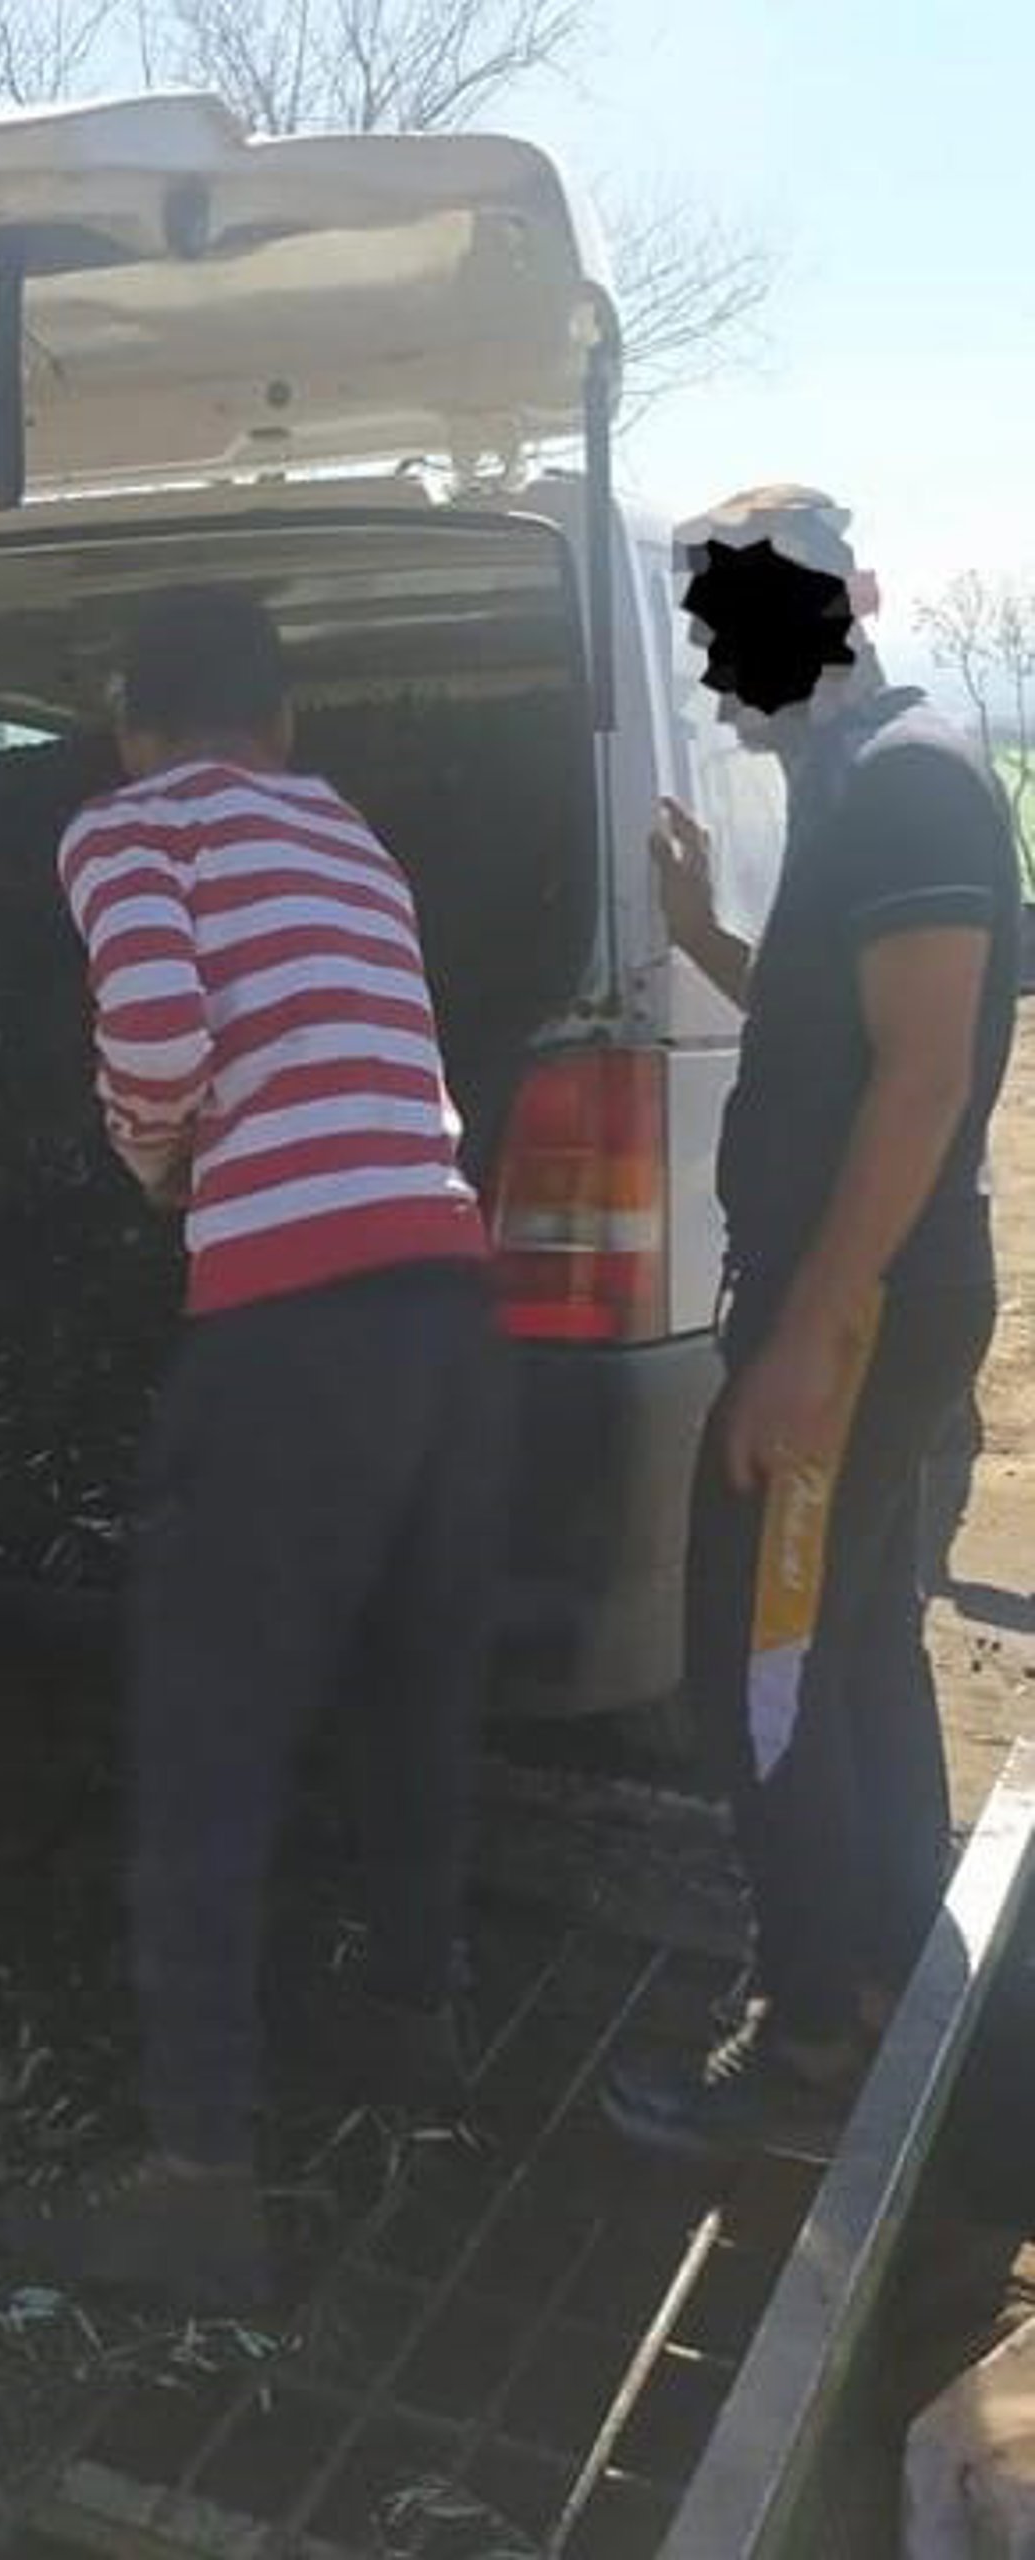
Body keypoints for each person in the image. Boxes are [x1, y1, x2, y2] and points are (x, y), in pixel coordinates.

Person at [0, 586, 507, 2307]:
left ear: (129, 730)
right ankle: (415, 2023)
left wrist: (152, 1160)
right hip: (449, 1308)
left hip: (293, 1329)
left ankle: (201, 2184)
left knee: (206, 1738)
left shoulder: (129, 824)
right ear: (284, 723)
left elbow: (153, 1034)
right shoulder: (345, 827)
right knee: (415, 1687)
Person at [603, 487, 1022, 2159]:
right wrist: (700, 928)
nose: (729, 666)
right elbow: (833, 1025)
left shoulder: (909, 784)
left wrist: (805, 1340)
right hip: (865, 1303)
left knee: (760, 1664)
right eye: (719, 630)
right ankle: (899, 1976)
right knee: (847, 1643)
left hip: (857, 1312)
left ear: (856, 599)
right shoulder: (860, 790)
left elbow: (920, 1079)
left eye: (760, 625)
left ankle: (810, 2040)